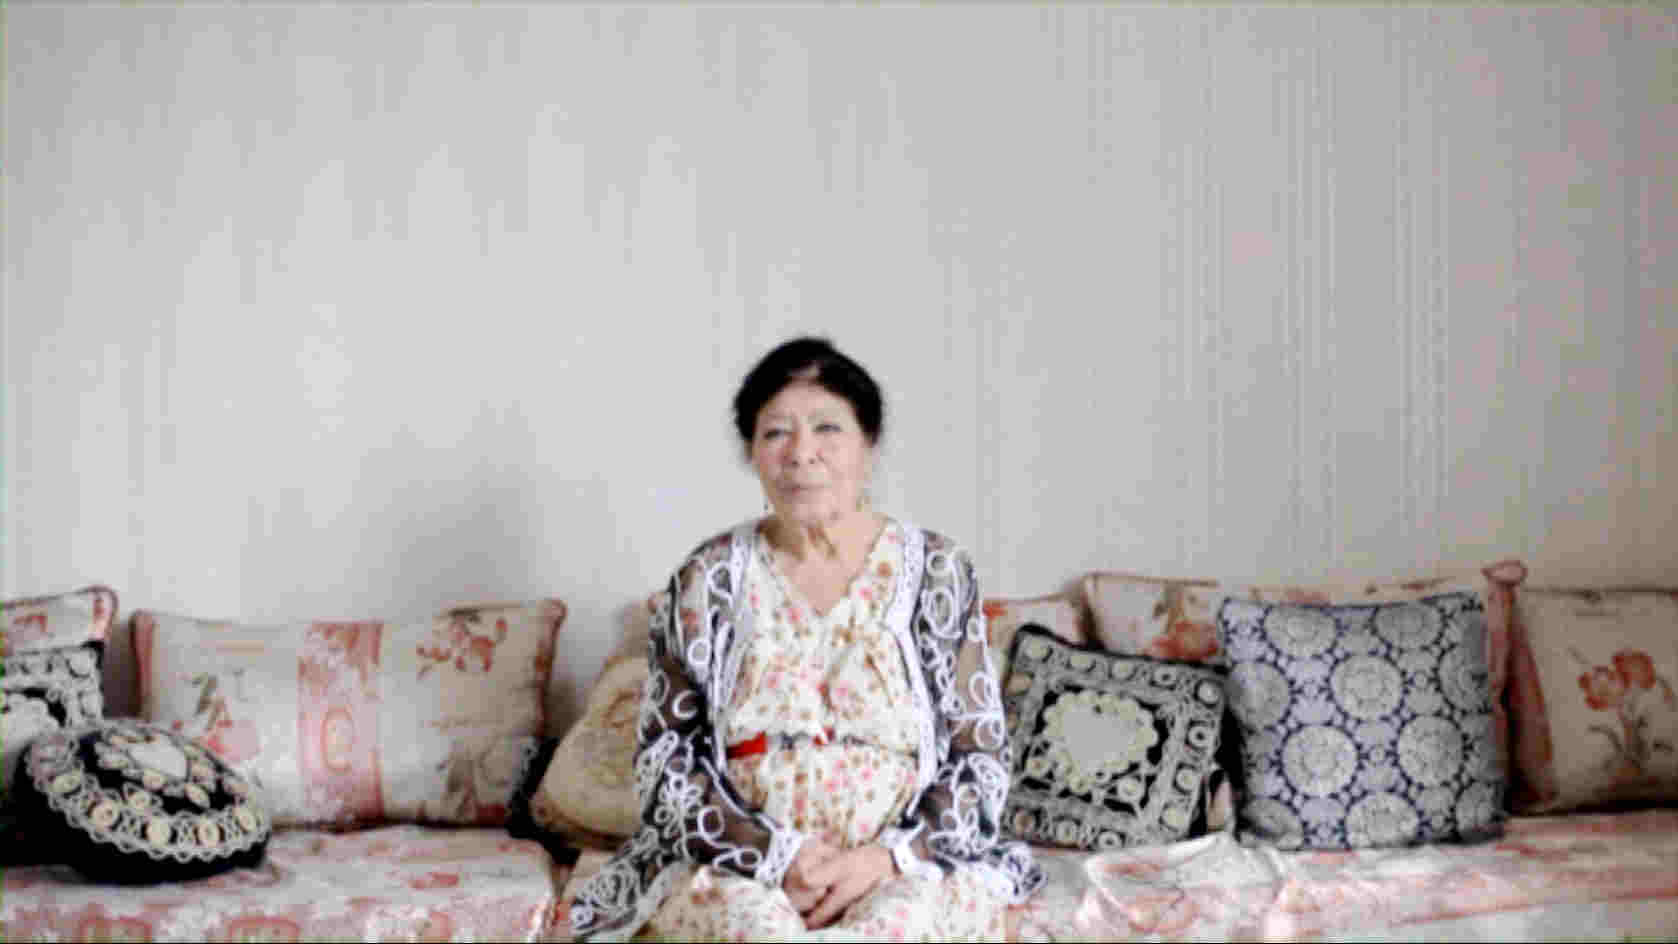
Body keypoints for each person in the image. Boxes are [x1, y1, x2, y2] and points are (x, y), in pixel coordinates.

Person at [570, 337, 1041, 942]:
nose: (801, 453)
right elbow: (665, 760)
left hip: (903, 864)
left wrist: (886, 859)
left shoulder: (937, 573)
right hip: (740, 866)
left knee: (894, 930)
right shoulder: (708, 578)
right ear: (751, 452)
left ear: (869, 444)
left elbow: (979, 760)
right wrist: (772, 855)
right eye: (776, 433)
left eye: (827, 428)